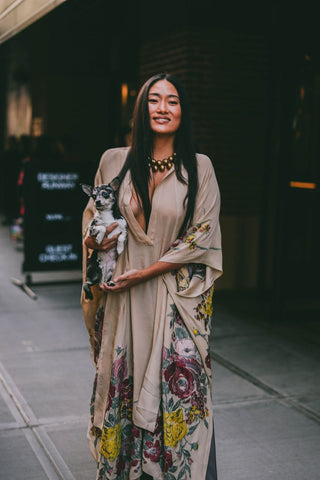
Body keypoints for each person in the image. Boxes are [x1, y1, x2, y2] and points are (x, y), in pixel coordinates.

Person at [81, 73, 223, 480]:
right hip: (123, 300)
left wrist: (145, 272)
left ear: (183, 111)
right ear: (141, 109)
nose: (163, 108)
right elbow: (92, 227)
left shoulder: (199, 167)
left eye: (173, 101)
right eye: (154, 100)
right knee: (121, 397)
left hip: (174, 298)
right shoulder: (113, 161)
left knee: (181, 396)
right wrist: (100, 240)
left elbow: (202, 236)